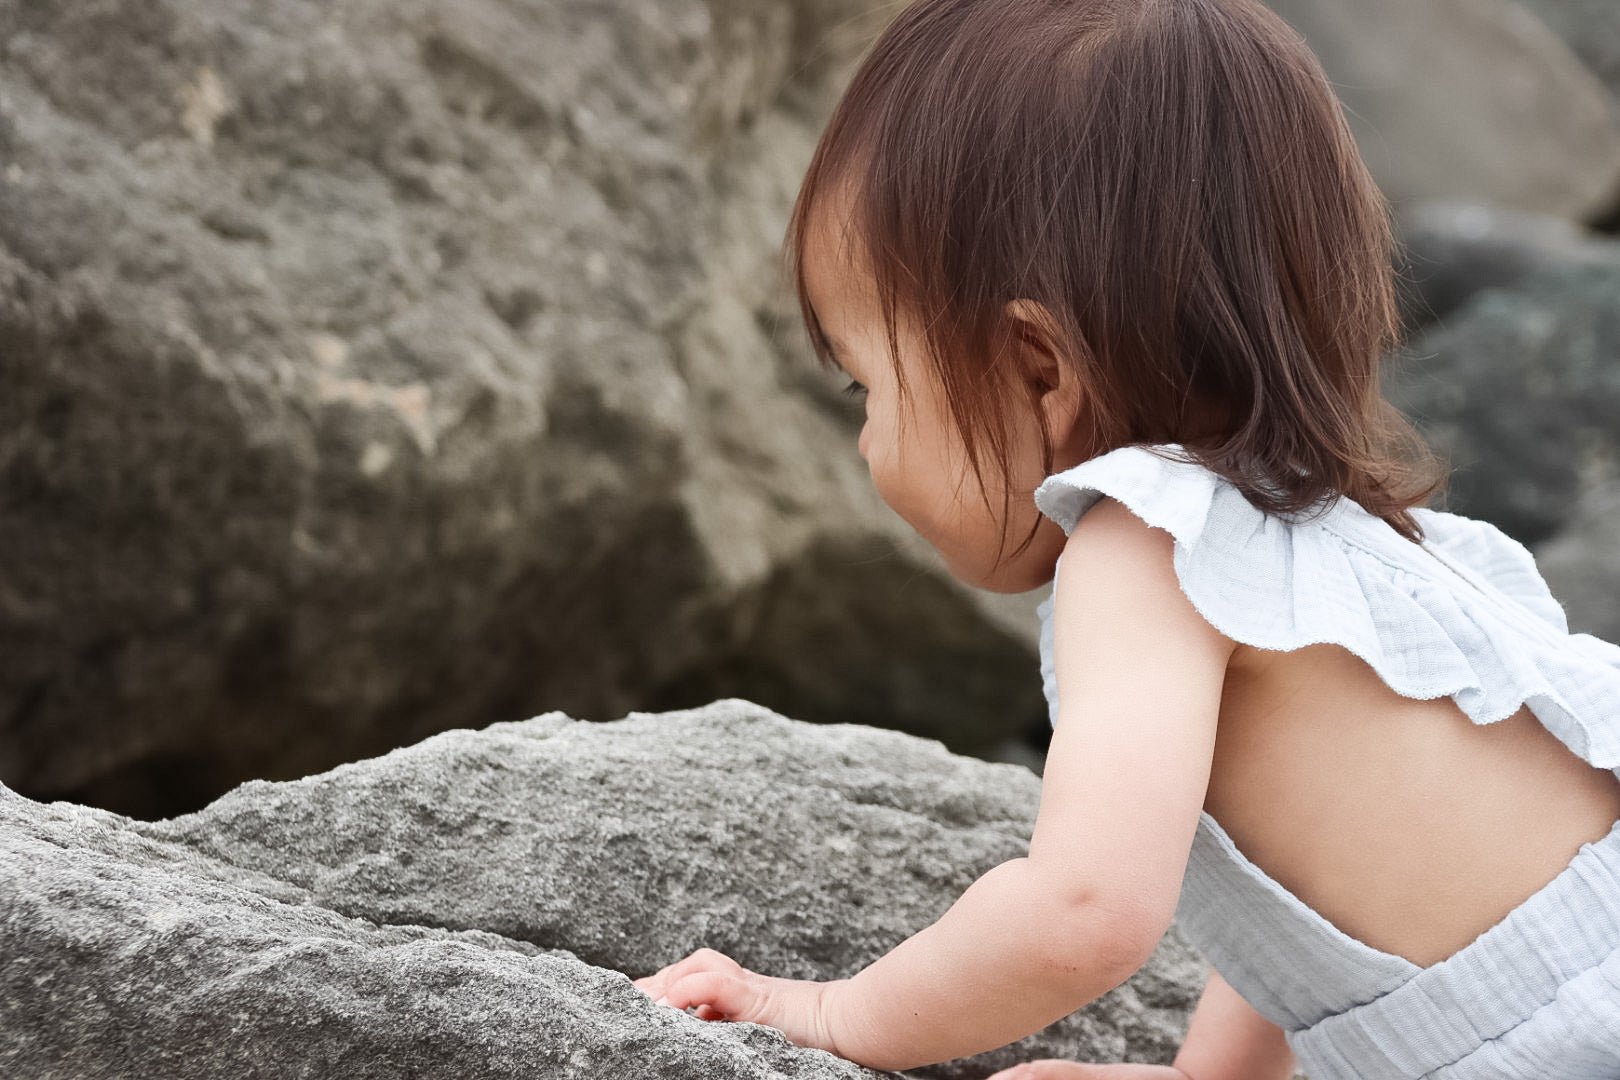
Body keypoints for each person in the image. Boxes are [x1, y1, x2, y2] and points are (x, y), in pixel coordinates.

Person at [634, 0, 1620, 1076]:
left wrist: (833, 1017)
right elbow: (1306, 884)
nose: (868, 442)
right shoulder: (1339, 538)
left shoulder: (1139, 550)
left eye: (867, 385)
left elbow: (1085, 912)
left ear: (1040, 369)